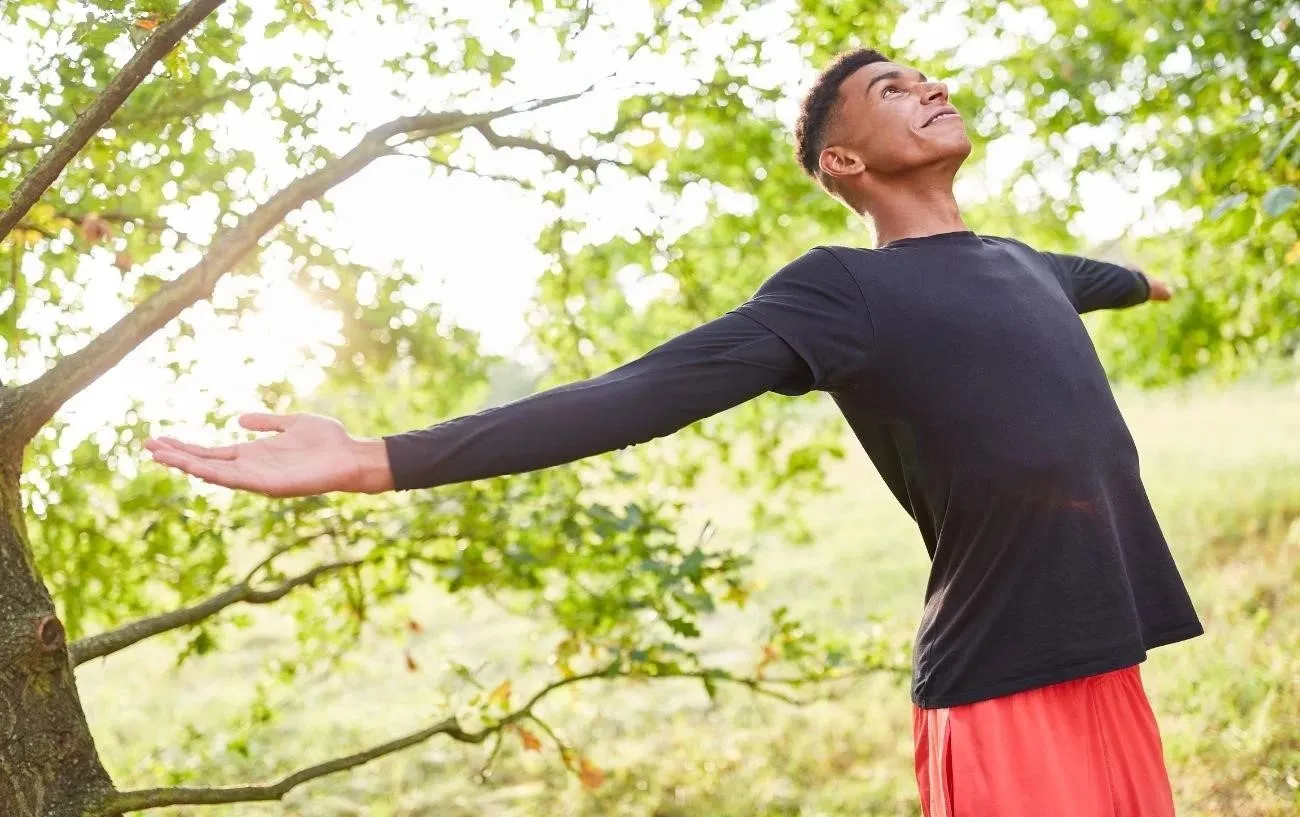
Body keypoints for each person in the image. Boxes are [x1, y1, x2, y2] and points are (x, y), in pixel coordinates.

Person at [146, 48, 1201, 816]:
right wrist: (376, 459)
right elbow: (639, 391)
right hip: (1000, 675)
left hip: (1100, 652)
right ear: (843, 163)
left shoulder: (1026, 263)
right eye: (891, 88)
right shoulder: (839, 293)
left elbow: (1091, 281)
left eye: (925, 76)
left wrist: (1151, 281)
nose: (928, 85)